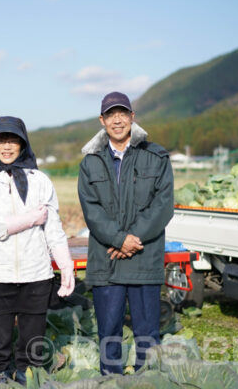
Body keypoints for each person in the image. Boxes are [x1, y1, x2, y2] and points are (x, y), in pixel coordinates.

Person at [0, 116, 75, 385]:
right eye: (1, 140)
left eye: (13, 140)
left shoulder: (39, 180)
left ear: (23, 143)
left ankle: (28, 376)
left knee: (32, 342)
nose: (7, 146)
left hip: (35, 272)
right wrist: (30, 219)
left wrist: (65, 265)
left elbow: (53, 228)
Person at [77, 92, 174, 375]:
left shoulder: (156, 157)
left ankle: (148, 380)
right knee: (109, 334)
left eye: (122, 113)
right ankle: (110, 380)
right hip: (107, 260)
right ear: (102, 120)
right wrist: (120, 240)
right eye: (110, 114)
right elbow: (91, 210)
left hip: (144, 258)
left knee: (147, 335)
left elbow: (162, 205)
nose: (117, 120)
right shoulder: (90, 162)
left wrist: (130, 241)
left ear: (132, 117)